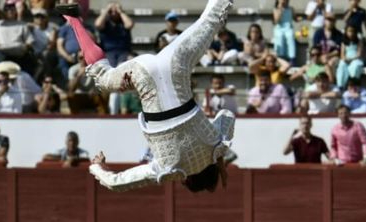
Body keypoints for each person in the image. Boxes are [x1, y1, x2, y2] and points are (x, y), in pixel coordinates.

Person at [57, 0, 237, 193]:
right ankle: (73, 19)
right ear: (187, 181)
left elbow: (227, 114)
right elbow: (115, 182)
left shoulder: (216, 144)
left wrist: (219, 156)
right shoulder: (170, 170)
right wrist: (97, 167)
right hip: (141, 76)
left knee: (211, 20)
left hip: (174, 63)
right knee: (103, 77)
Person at [0, 1, 35, 73]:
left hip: (18, 50)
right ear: (4, 12)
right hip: (1, 48)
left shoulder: (22, 24)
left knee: (29, 57)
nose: (10, 12)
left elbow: (29, 41)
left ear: (15, 11)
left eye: (12, 10)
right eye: (7, 10)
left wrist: (26, 47)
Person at [95, 2, 133, 67]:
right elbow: (98, 24)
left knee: (123, 66)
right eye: (111, 11)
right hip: (108, 52)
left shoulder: (123, 22)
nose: (114, 13)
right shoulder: (105, 23)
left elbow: (129, 24)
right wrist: (106, 10)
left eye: (116, 11)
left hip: (124, 52)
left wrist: (120, 12)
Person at [336, 24, 363, 89]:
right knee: (342, 66)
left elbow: (359, 53)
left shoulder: (359, 41)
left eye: (352, 31)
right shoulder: (344, 42)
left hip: (355, 58)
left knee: (355, 66)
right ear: (346, 32)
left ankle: (353, 83)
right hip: (346, 58)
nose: (351, 33)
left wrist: (352, 59)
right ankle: (341, 85)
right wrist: (345, 59)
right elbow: (342, 54)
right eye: (349, 31)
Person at [272, 0, 298, 64]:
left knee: (290, 36)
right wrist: (280, 10)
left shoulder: (291, 9)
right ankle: (281, 57)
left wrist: (298, 19)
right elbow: (276, 22)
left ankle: (292, 58)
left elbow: (295, 18)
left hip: (288, 28)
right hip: (279, 29)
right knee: (280, 37)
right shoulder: (275, 9)